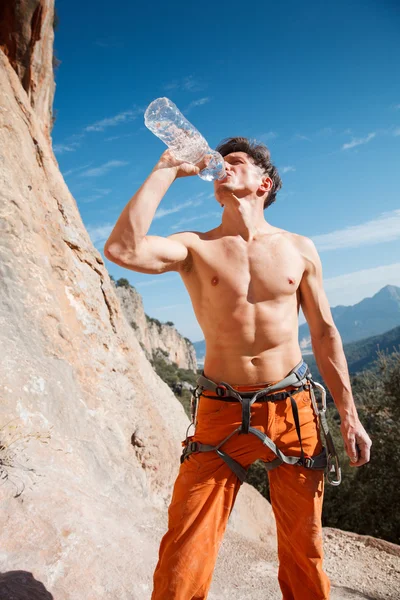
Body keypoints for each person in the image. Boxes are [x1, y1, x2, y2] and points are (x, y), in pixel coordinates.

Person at [104, 137, 372, 600]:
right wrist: (168, 166)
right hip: (219, 407)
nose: (221, 166)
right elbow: (123, 250)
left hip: (292, 407)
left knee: (303, 552)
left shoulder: (299, 248)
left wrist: (350, 413)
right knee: (184, 550)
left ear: (263, 183)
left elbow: (326, 333)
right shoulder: (195, 246)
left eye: (236, 162)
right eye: (219, 162)